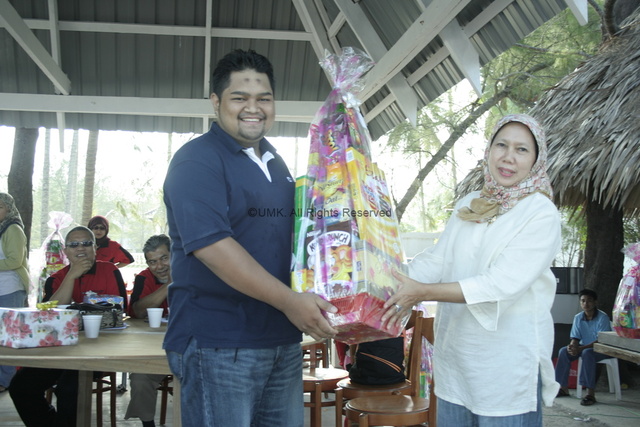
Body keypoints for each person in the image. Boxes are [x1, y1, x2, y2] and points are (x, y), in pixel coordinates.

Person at [162, 48, 338, 426]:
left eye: (264, 98)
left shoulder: (276, 162)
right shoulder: (197, 160)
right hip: (220, 342)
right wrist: (291, 301)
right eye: (239, 98)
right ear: (216, 102)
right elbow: (213, 248)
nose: (253, 108)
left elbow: (298, 240)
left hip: (281, 338)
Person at [382, 114, 562, 426]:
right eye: (501, 145)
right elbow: (438, 260)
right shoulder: (471, 202)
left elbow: (499, 284)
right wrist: (386, 277)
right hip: (457, 359)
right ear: (489, 150)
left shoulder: (540, 213)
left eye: (521, 149)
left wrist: (422, 293)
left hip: (506, 364)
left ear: (536, 160)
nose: (508, 157)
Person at [9, 226, 127, 427]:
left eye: (86, 243)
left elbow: (121, 312)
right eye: (74, 245)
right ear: (66, 251)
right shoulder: (56, 278)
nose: (80, 248)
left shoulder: (110, 271)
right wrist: (71, 275)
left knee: (68, 389)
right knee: (20, 386)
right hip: (60, 351)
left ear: (95, 248)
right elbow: (48, 317)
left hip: (99, 350)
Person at [125, 234, 172, 427]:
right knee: (140, 377)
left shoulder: (192, 272)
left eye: (164, 258)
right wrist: (170, 285)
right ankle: (148, 424)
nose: (159, 266)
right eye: (152, 262)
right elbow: (136, 312)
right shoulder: (144, 278)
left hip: (190, 349)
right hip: (154, 347)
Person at [555, 289, 612, 406]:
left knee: (587, 353)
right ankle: (563, 388)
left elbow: (601, 340)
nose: (586, 304)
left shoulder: (603, 317)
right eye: (583, 301)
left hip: (602, 349)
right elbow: (575, 337)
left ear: (595, 302)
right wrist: (572, 346)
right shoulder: (578, 317)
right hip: (583, 347)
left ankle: (590, 393)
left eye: (589, 300)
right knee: (564, 351)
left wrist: (580, 349)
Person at [0, 192, 29, 393]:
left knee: (8, 337)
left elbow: (15, 261)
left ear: (9, 209)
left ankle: (6, 381)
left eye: (0, 207)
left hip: (10, 289)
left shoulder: (13, 228)